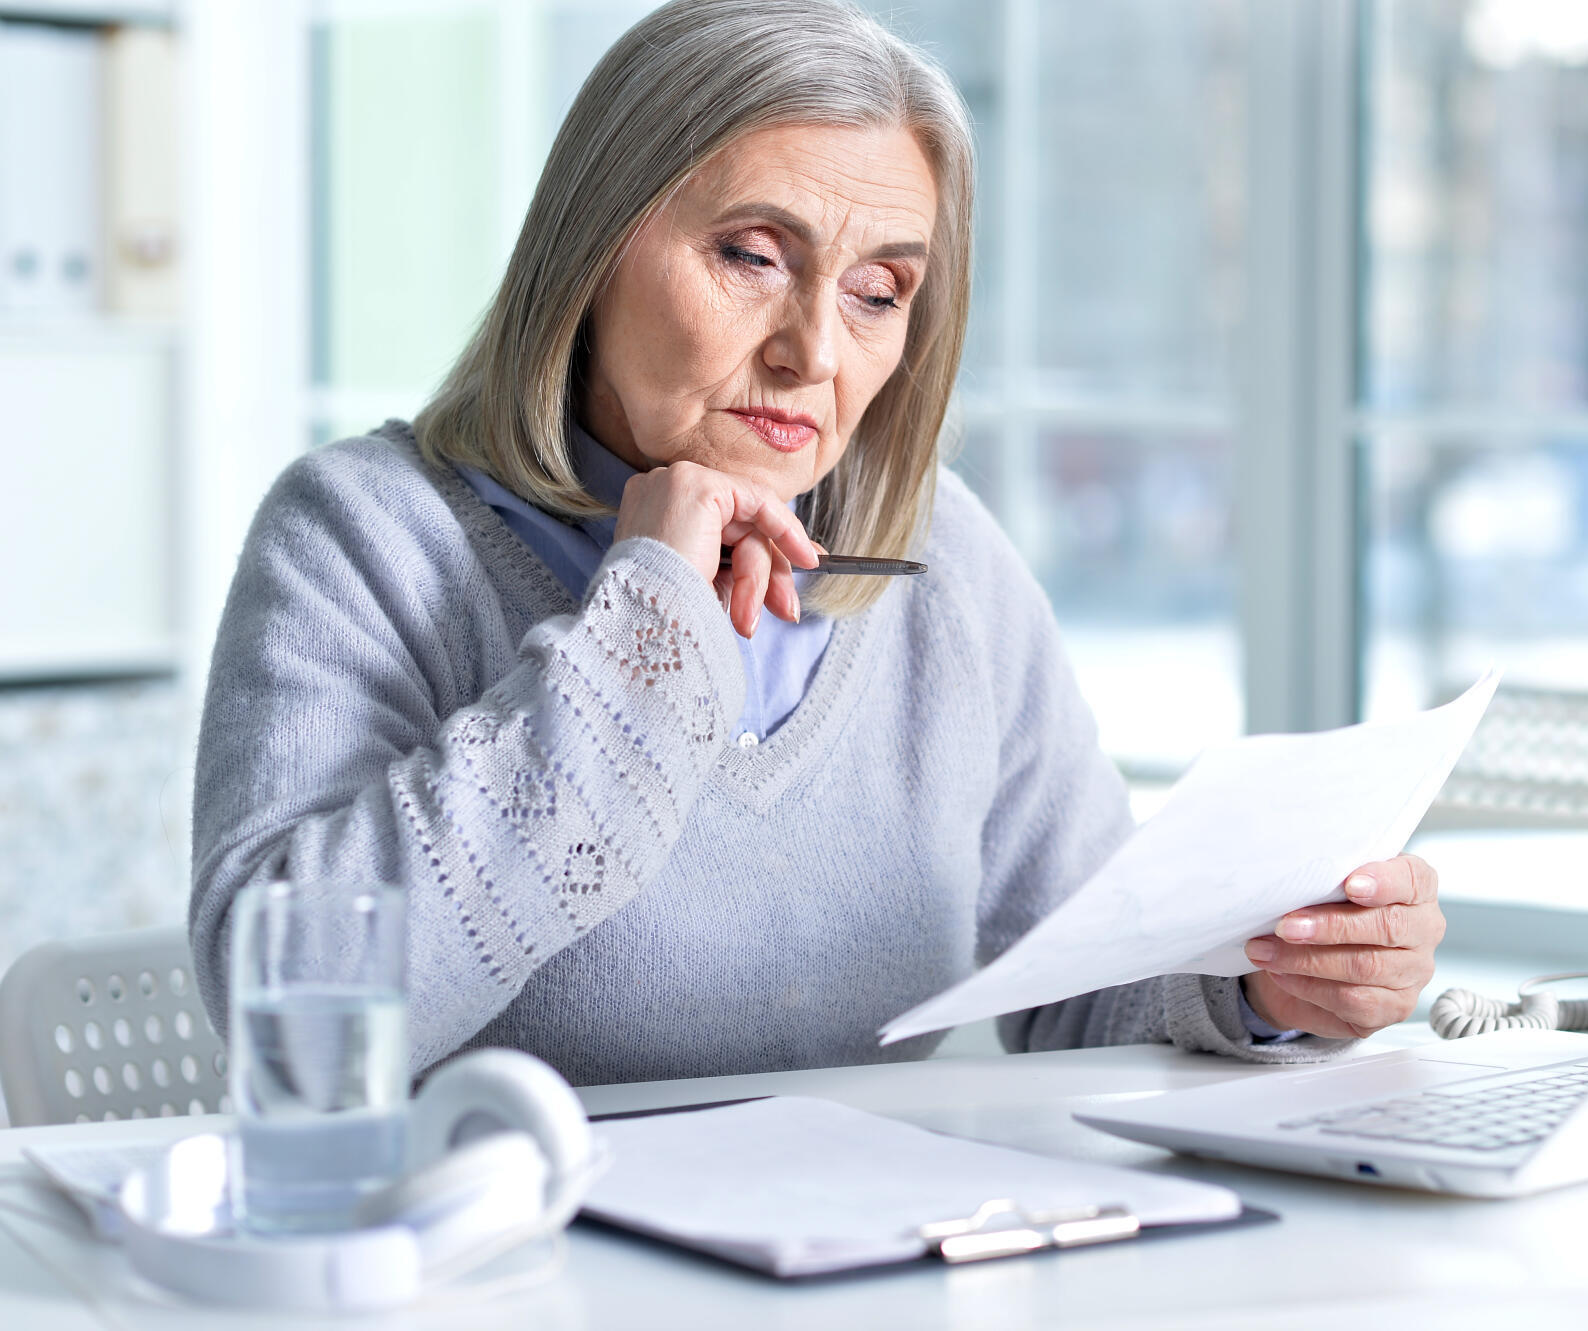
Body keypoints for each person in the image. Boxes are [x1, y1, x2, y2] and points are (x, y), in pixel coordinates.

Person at [189, 0, 1446, 1085]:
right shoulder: (361, 534)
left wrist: (1269, 984)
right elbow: (291, 1023)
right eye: (749, 254)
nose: (815, 353)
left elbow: (1083, 982)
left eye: (878, 291)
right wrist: (642, 630)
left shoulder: (942, 561)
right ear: (589, 250)